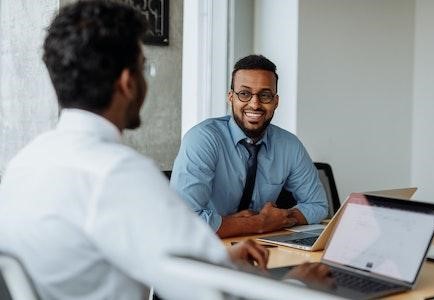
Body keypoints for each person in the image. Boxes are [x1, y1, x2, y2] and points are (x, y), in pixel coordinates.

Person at [0, 2, 271, 299]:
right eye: (144, 67)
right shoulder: (116, 172)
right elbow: (213, 294)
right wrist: (298, 284)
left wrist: (220, 263)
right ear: (128, 83)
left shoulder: (23, 163)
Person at [170, 55, 328, 238]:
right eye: (244, 94)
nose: (255, 104)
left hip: (265, 248)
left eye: (265, 95)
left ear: (276, 101)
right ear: (231, 97)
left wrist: (278, 219)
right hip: (210, 249)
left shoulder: (289, 145)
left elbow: (318, 205)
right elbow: (183, 222)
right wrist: (258, 223)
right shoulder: (203, 139)